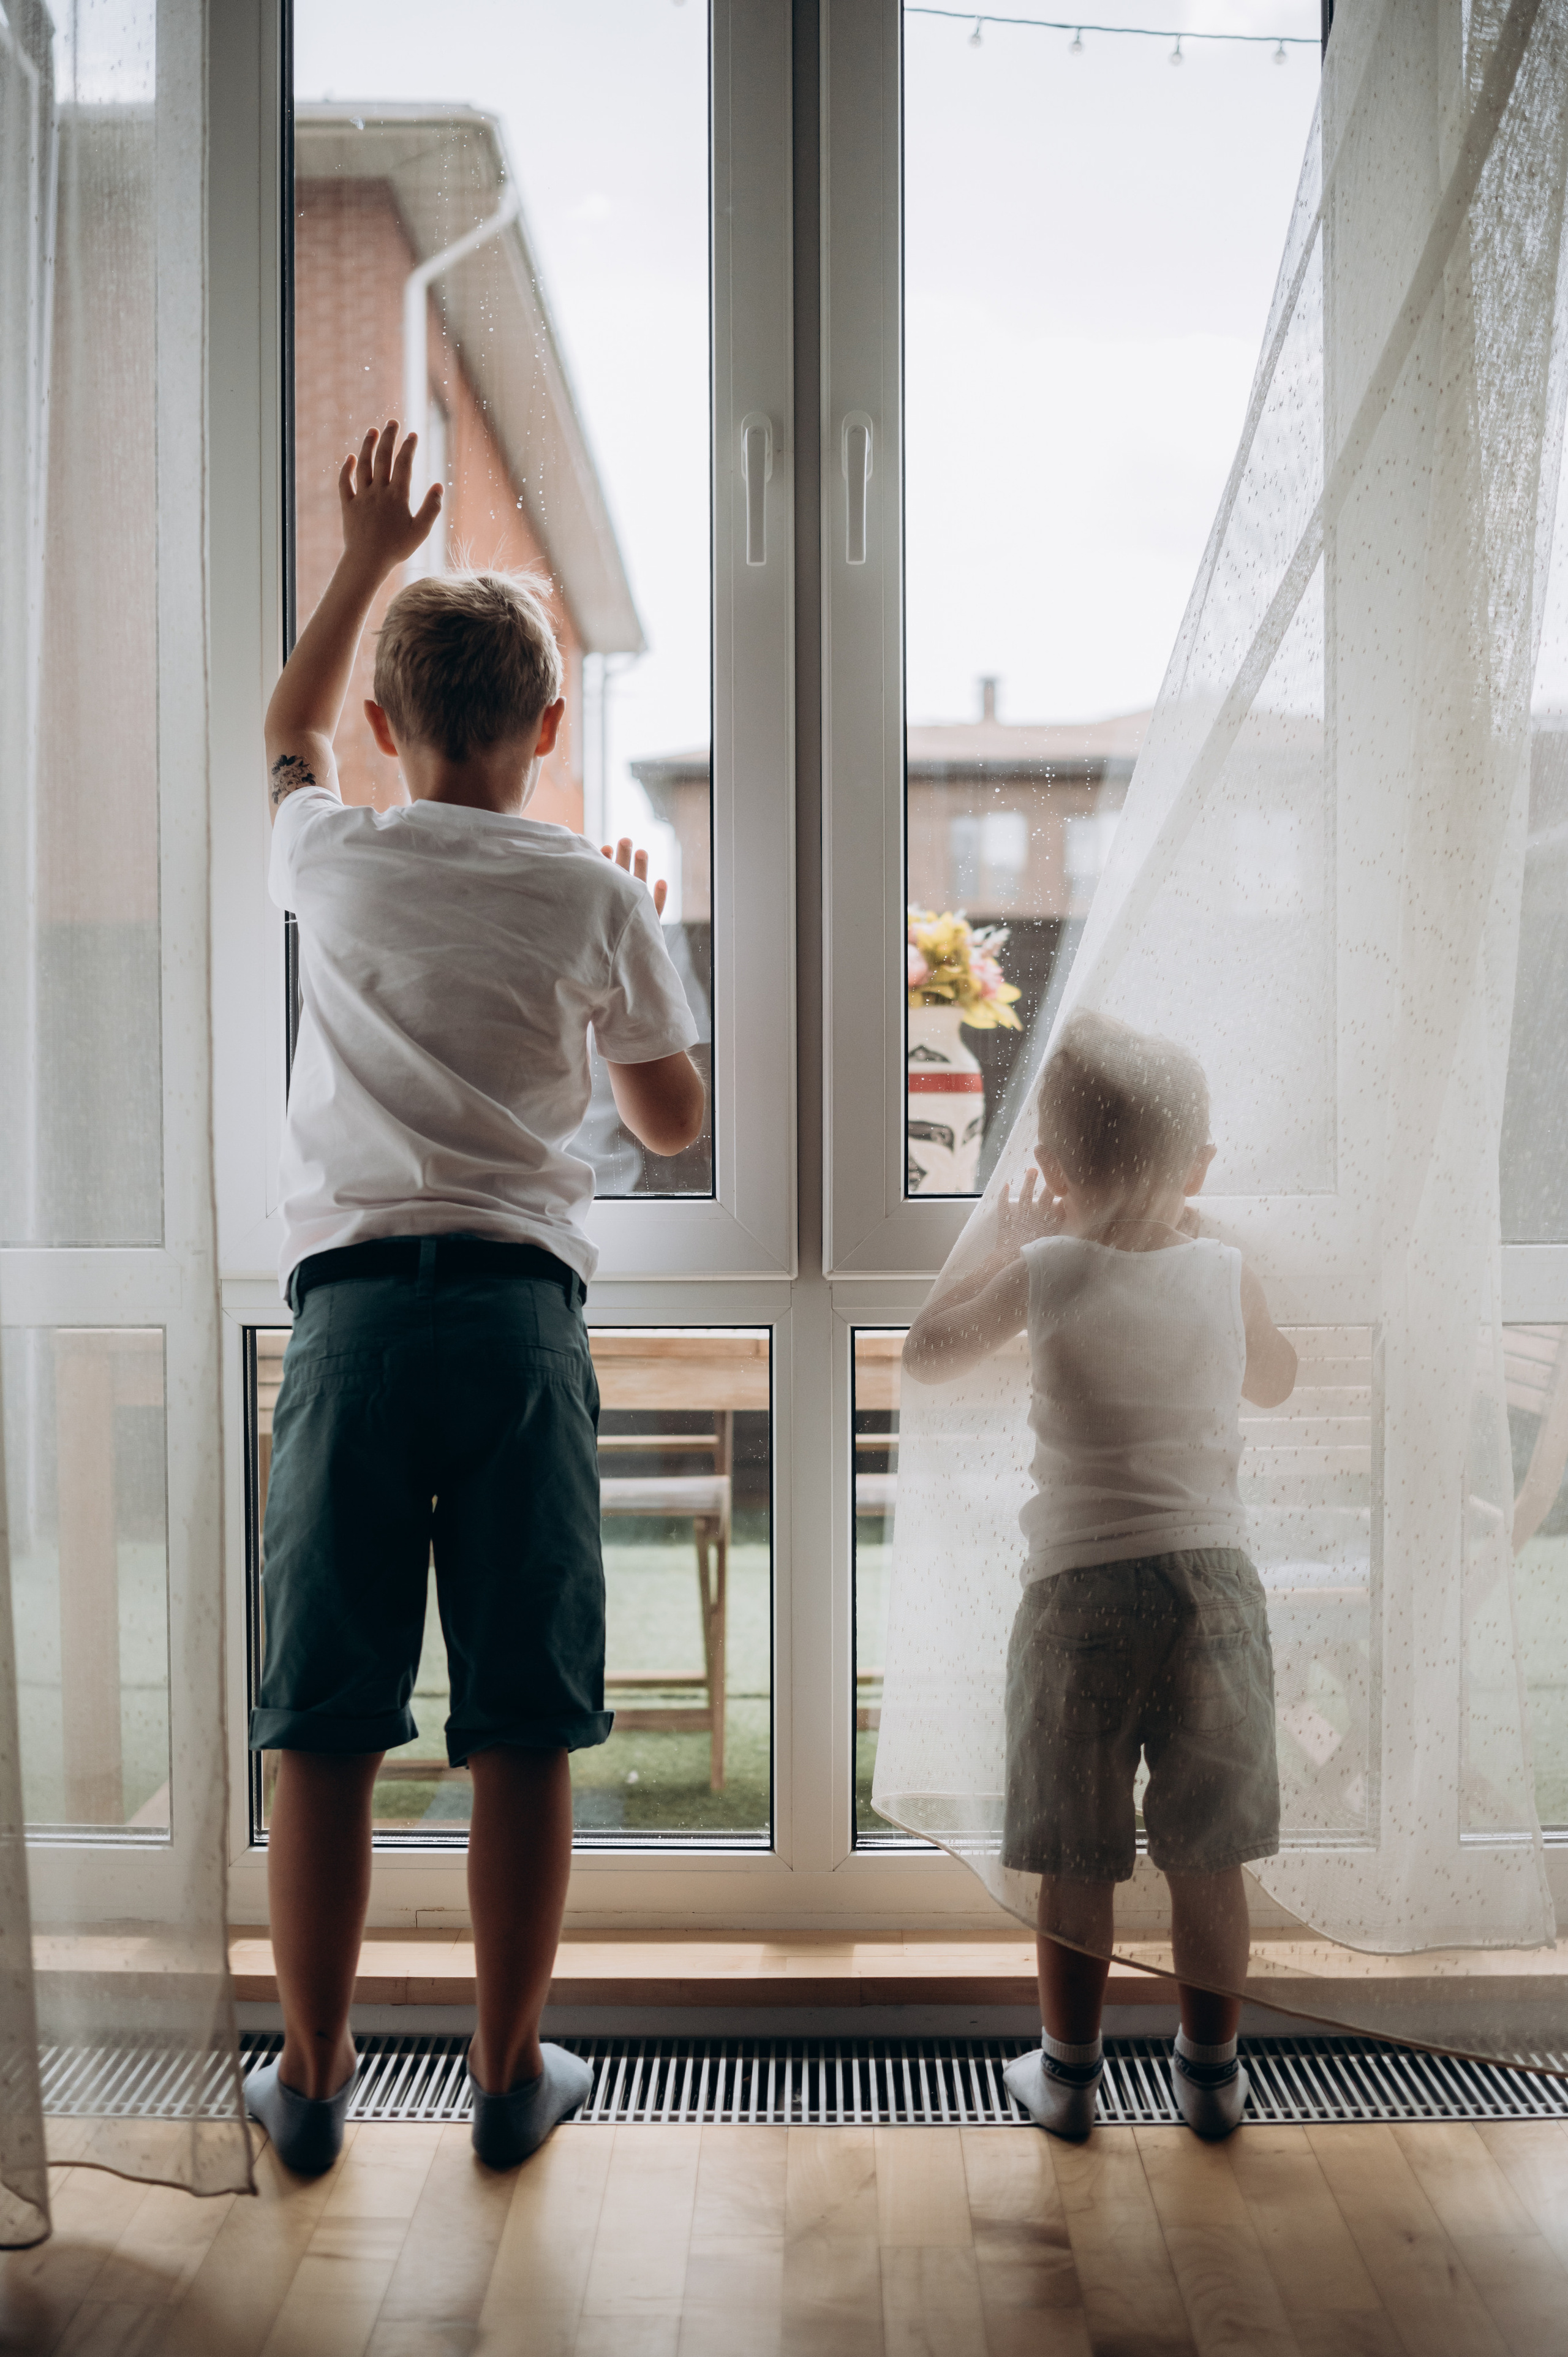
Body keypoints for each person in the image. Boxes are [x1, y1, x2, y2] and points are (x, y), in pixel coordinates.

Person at [244, 422, 705, 2174]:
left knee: (326, 1727)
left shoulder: (335, 856)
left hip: (354, 1322)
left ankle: (310, 2083)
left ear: (389, 726)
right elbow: (671, 1122)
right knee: (520, 1722)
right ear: (549, 728)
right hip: (517, 1326)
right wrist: (619, 972)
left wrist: (367, 552)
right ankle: (509, 2080)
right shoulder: (592, 892)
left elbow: (281, 731)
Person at [903, 1009, 1296, 2140]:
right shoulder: (1226, 1269)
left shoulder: (1049, 1269)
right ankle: (1212, 2078)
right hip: (1214, 1592)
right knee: (1210, 1858)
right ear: (1200, 1168)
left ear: (1055, 1171)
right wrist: (1243, 1283)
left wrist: (1003, 1243)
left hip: (1079, 1595)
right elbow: (1276, 1381)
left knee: (1076, 1857)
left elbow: (926, 1357)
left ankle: (1069, 2078)